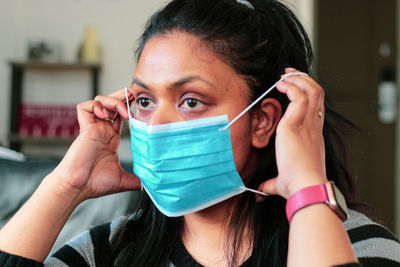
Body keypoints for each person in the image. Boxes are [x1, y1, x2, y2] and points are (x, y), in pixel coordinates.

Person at [1, 0, 399, 266]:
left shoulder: (356, 244)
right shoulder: (109, 250)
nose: (155, 126)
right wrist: (66, 184)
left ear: (262, 121)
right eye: (143, 101)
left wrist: (308, 188)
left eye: (191, 101)